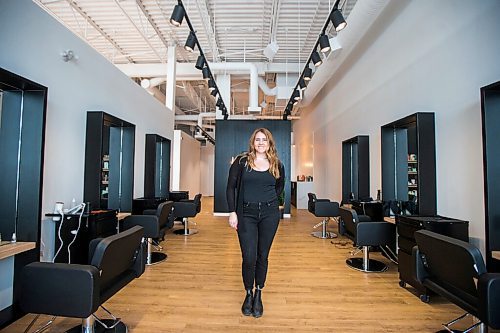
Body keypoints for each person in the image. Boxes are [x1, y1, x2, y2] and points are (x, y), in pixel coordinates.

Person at [226, 127, 285, 318]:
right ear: (253, 142)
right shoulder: (242, 162)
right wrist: (233, 212)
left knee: (263, 255)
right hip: (246, 214)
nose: (261, 143)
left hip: (269, 214)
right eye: (258, 139)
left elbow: (279, 187)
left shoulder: (277, 164)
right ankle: (248, 293)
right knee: (249, 256)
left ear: (269, 143)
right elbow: (230, 187)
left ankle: (259, 292)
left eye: (264, 140)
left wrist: (268, 202)